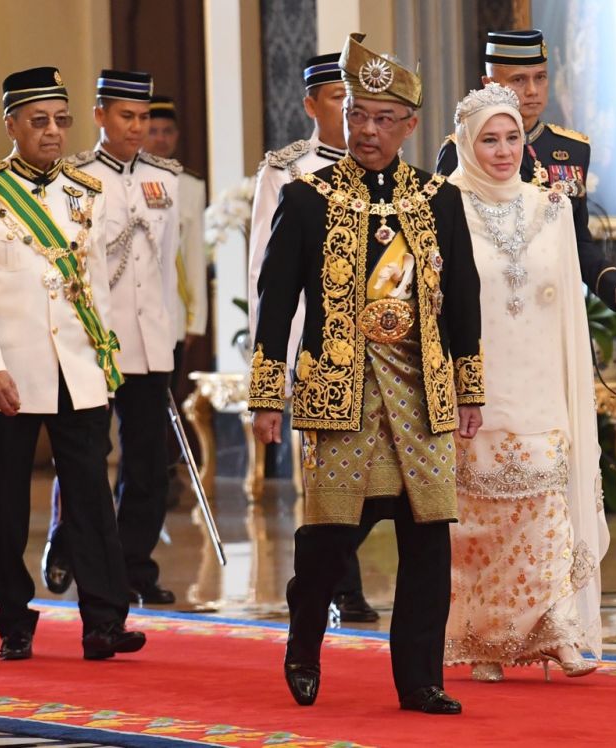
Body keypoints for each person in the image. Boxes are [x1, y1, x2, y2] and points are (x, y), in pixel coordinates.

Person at [251, 34, 484, 714]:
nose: (369, 131)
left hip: (421, 395)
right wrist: (268, 396)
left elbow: (463, 298)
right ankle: (302, 641)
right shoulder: (306, 198)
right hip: (341, 394)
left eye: (384, 119)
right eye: (358, 115)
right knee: (329, 540)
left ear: (410, 126)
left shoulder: (438, 199)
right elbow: (275, 307)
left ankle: (419, 678)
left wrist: (469, 389)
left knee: (426, 544)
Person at [0, 66, 146, 661]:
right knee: (5, 502)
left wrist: (105, 356)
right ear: (12, 125)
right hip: (8, 371)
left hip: (77, 364)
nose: (53, 131)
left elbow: (94, 287)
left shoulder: (88, 192)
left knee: (90, 496)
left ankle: (104, 621)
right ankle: (13, 618)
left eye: (61, 120)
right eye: (39, 121)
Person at [442, 83, 616, 682]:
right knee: (483, 519)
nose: (502, 150)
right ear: (466, 144)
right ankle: (487, 642)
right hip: (481, 385)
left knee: (546, 505)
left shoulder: (552, 208)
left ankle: (560, 632)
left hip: (541, 379)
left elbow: (568, 298)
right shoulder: (446, 208)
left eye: (512, 137)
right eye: (489, 139)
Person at [43, 70, 182, 605]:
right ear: (100, 115)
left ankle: (133, 566)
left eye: (144, 117)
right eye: (126, 115)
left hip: (149, 342)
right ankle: (67, 542)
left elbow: (168, 266)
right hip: (93, 340)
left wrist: (172, 333)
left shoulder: (166, 179)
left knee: (147, 463)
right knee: (86, 454)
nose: (137, 126)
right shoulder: (71, 177)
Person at [248, 52, 377, 625]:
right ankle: (339, 587)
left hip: (379, 341)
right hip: (316, 341)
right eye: (338, 100)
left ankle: (336, 575)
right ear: (312, 104)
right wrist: (275, 368)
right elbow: (266, 271)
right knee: (328, 472)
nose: (353, 115)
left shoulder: (383, 168)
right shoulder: (286, 171)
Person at [436, 29, 616, 314]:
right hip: (490, 305)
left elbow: (576, 240)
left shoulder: (573, 150)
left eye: (540, 77)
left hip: (553, 304)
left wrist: (613, 284)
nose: (532, 90)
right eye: (518, 79)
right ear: (489, 83)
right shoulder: (462, 150)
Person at [145, 94, 207, 507]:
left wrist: (196, 317)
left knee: (166, 397)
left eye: (168, 131)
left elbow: (195, 255)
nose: (161, 139)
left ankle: (166, 470)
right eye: (154, 131)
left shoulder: (190, 185)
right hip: (130, 312)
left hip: (172, 311)